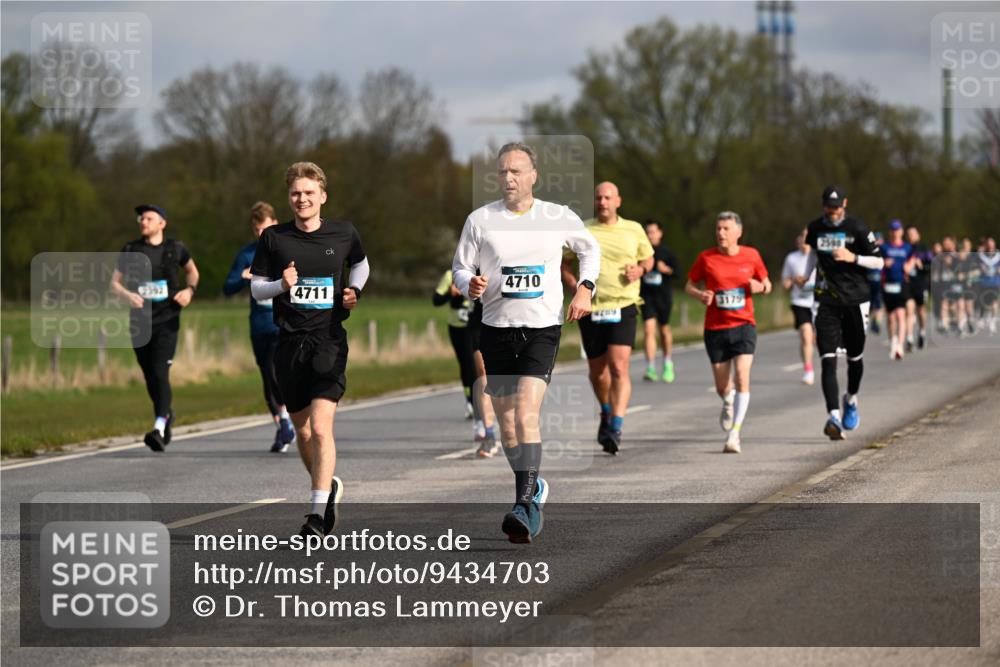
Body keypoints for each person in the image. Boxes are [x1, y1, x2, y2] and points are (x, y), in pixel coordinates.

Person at [453, 142, 599, 543]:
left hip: (541, 329)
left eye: (517, 171)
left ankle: (525, 505)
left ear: (534, 175)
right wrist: (470, 284)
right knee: (507, 426)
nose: (509, 178)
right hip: (496, 327)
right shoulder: (481, 220)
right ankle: (532, 488)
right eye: (503, 172)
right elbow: (460, 267)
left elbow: (590, 250)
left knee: (525, 412)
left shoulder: (556, 217)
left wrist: (585, 289)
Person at [249, 162, 370, 538]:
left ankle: (316, 513)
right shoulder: (274, 239)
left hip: (328, 342)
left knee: (320, 428)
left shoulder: (343, 232)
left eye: (308, 193)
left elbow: (362, 265)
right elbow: (257, 289)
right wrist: (281, 286)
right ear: (290, 198)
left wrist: (354, 291)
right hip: (289, 345)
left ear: (322, 196)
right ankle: (327, 487)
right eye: (295, 194)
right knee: (303, 434)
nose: (302, 199)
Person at [562, 182, 653, 456]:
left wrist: (640, 270)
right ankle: (605, 410)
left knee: (618, 367)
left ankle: (616, 425)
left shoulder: (633, 229)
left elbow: (648, 259)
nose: (602, 202)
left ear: (618, 201)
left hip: (624, 305)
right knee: (598, 372)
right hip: (591, 308)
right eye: (599, 197)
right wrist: (576, 287)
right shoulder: (583, 229)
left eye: (607, 197)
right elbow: (564, 262)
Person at [110, 205, 199, 452]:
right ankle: (166, 412)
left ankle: (159, 426)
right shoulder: (131, 249)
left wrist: (189, 291)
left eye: (149, 218)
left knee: (160, 372)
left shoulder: (176, 249)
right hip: (139, 321)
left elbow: (192, 272)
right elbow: (114, 284)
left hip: (167, 320)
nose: (143, 221)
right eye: (141, 218)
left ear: (162, 223)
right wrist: (127, 295)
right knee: (150, 376)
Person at [685, 211, 771, 454]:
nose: (721, 233)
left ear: (738, 232)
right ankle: (728, 399)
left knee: (743, 376)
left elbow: (768, 283)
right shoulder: (706, 258)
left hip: (744, 325)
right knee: (723, 386)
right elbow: (689, 285)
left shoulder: (751, 255)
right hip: (716, 329)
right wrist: (700, 295)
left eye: (726, 229)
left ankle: (735, 434)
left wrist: (761, 286)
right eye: (718, 229)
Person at [802, 186, 883, 440]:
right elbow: (813, 257)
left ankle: (851, 399)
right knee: (827, 358)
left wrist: (853, 257)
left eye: (836, 207)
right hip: (826, 300)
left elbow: (879, 261)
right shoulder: (815, 228)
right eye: (828, 206)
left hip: (856, 300)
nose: (832, 211)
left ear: (844, 204)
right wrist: (805, 277)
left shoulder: (858, 228)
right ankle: (834, 417)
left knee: (854, 359)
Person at [224, 201, 295, 453]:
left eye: (264, 229)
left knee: (278, 373)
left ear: (274, 224)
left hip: (283, 323)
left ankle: (288, 421)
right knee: (267, 377)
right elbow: (227, 287)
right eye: (256, 230)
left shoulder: (287, 249)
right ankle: (282, 427)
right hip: (259, 325)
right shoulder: (246, 254)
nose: (260, 234)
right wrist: (243, 277)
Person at [640, 219, 680, 384]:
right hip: (647, 296)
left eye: (653, 232)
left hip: (664, 297)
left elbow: (679, 273)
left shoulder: (667, 253)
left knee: (664, 330)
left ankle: (667, 363)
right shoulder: (640, 253)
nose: (650, 235)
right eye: (647, 232)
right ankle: (650, 367)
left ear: (660, 233)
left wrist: (667, 270)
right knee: (649, 330)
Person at [433, 268, 476, 418]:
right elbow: (436, 300)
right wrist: (450, 294)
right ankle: (470, 401)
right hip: (457, 327)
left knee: (477, 365)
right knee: (465, 365)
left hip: (476, 326)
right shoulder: (450, 275)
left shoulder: (482, 272)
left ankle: (480, 400)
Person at [780, 229, 817, 384]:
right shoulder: (791, 258)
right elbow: (785, 283)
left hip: (817, 302)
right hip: (800, 302)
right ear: (798, 241)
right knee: (805, 335)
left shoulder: (817, 256)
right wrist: (794, 281)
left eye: (807, 238)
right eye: (801, 238)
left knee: (815, 338)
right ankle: (808, 369)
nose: (804, 241)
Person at [881, 220, 914, 361]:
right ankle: (893, 339)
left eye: (897, 230)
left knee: (901, 314)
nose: (895, 232)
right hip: (888, 284)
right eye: (893, 230)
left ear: (901, 232)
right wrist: (884, 263)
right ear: (890, 232)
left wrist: (909, 267)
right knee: (890, 317)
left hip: (901, 284)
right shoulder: (884, 247)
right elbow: (877, 262)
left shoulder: (907, 247)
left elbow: (912, 259)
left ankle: (900, 345)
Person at [905, 225, 934, 350]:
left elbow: (932, 265)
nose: (911, 236)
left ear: (918, 235)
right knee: (909, 310)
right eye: (909, 234)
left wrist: (922, 266)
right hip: (908, 284)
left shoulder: (924, 249)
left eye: (913, 233)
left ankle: (922, 332)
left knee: (921, 311)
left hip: (921, 284)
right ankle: (909, 338)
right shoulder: (905, 249)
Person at [977, 237, 999, 335]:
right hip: (984, 283)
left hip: (995, 283)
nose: (990, 245)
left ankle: (992, 320)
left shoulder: (998, 256)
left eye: (992, 243)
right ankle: (983, 317)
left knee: (994, 302)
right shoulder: (981, 256)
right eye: (988, 243)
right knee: (985, 302)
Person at [866, 232, 885, 335]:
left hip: (880, 282)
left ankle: (877, 322)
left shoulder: (884, 250)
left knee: (878, 303)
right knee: (869, 303)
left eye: (879, 240)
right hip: (869, 281)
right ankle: (870, 321)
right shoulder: (868, 250)